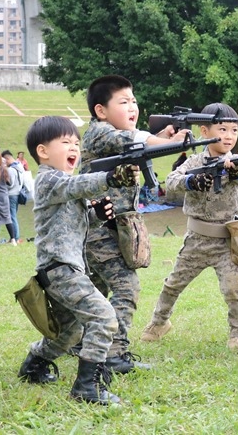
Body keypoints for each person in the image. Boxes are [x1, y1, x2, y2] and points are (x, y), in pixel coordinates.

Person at [16, 115, 138, 405]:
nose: (74, 147)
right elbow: (80, 185)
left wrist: (97, 216)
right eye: (66, 142)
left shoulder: (64, 184)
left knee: (69, 332)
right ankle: (87, 386)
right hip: (61, 271)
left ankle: (34, 364)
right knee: (103, 317)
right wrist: (110, 178)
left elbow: (74, 223)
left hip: (65, 270)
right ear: (43, 152)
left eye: (76, 142)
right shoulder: (49, 179)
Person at [78, 74, 187, 376]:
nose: (133, 106)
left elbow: (136, 140)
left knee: (94, 292)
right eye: (124, 102)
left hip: (104, 228)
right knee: (126, 288)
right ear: (101, 110)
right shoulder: (99, 132)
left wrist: (163, 137)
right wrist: (168, 141)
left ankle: (78, 343)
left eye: (134, 101)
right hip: (98, 228)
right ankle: (114, 354)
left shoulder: (114, 133)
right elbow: (130, 139)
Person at [141, 103, 238, 351]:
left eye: (234, 130)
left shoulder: (234, 161)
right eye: (222, 129)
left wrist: (233, 169)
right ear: (204, 131)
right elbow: (171, 181)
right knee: (173, 284)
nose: (229, 136)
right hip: (196, 240)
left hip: (226, 242)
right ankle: (159, 323)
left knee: (235, 290)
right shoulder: (194, 161)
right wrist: (192, 181)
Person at [3, 150, 25, 243]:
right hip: (17, 193)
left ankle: (15, 237)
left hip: (11, 194)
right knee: (13, 215)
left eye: (4, 160)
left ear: (8, 158)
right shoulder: (20, 167)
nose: (4, 163)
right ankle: (15, 236)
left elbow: (10, 184)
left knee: (12, 217)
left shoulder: (11, 169)